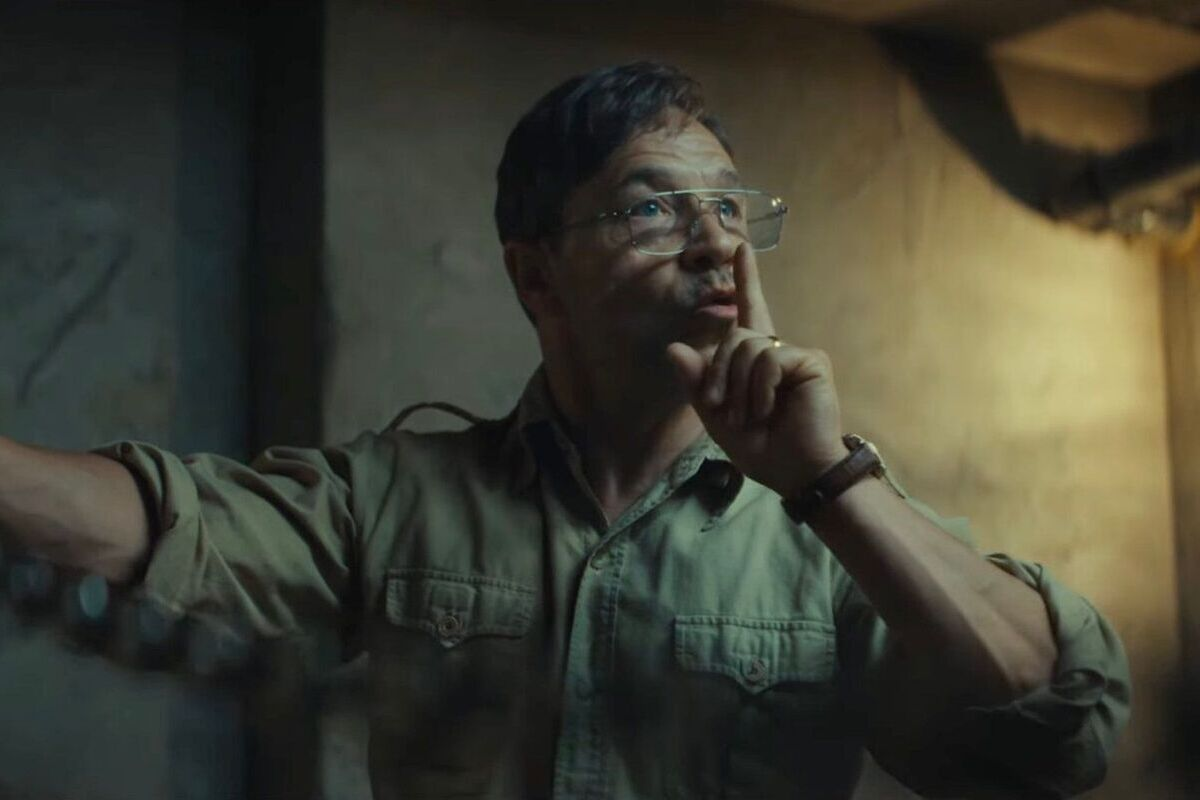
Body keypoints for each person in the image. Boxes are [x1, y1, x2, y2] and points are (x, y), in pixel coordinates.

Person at [0, 62, 1128, 799]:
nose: (715, 243)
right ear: (537, 276)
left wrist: (829, 479)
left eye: (729, 207)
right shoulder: (398, 496)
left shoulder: (825, 527)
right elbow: (157, 530)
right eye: (654, 207)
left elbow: (1064, 726)